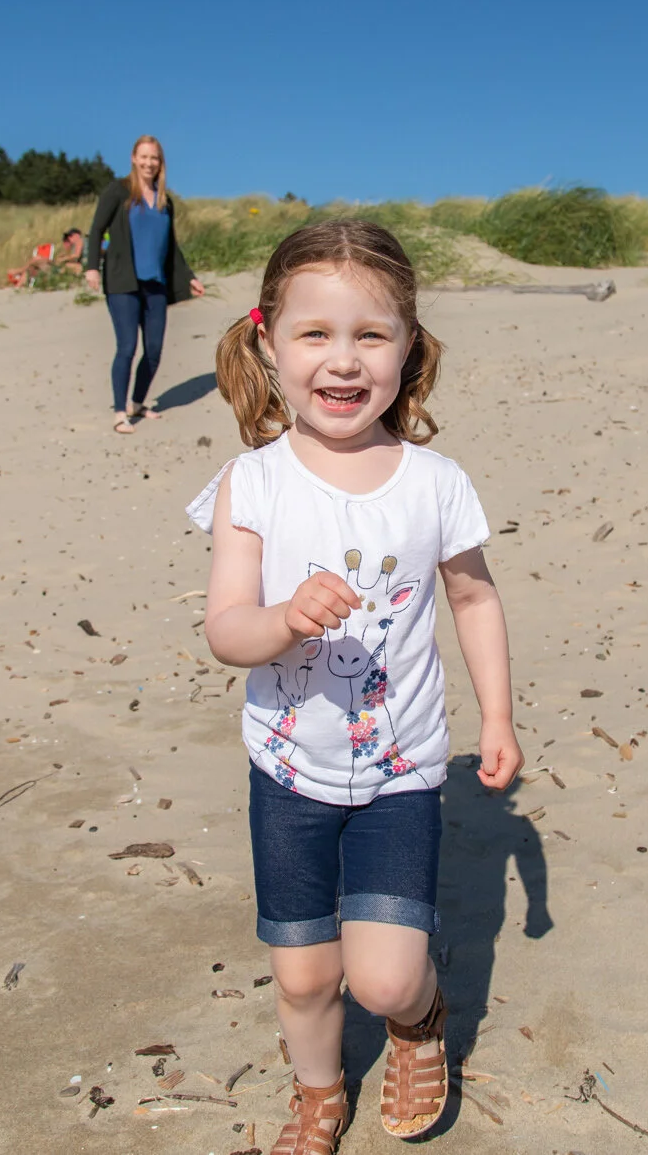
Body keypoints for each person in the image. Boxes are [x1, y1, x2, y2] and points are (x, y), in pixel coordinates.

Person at [187, 220, 521, 1152]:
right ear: (269, 341)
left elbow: (474, 599)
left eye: (371, 335)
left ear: (409, 345)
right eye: (315, 334)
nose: (343, 361)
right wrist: (286, 617)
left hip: (401, 770)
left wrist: (496, 714)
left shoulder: (434, 482)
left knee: (381, 978)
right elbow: (225, 629)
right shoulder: (249, 484)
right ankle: (319, 1090)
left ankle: (418, 1023)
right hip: (288, 772)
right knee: (301, 977)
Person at [84, 136, 204, 432]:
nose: (149, 163)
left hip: (156, 286)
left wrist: (189, 276)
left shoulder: (165, 201)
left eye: (155, 158)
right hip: (123, 282)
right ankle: (119, 411)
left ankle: (138, 402)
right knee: (127, 347)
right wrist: (91, 268)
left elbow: (171, 245)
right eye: (144, 157)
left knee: (153, 350)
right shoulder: (119, 191)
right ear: (133, 158)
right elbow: (97, 229)